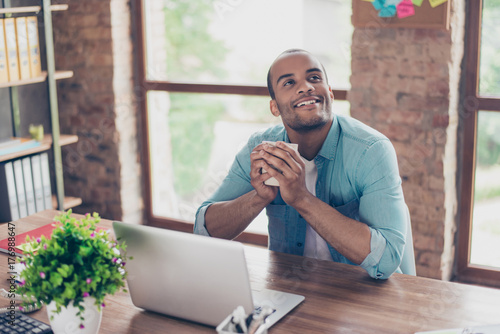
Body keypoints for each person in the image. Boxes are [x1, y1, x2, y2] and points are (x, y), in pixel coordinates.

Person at [194, 49, 409, 279]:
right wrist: (258, 198)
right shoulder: (260, 148)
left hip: (361, 296)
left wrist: (301, 198)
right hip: (289, 293)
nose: (306, 86)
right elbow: (204, 231)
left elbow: (386, 261)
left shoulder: (371, 150)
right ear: (274, 107)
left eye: (314, 78)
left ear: (330, 92)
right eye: (288, 82)